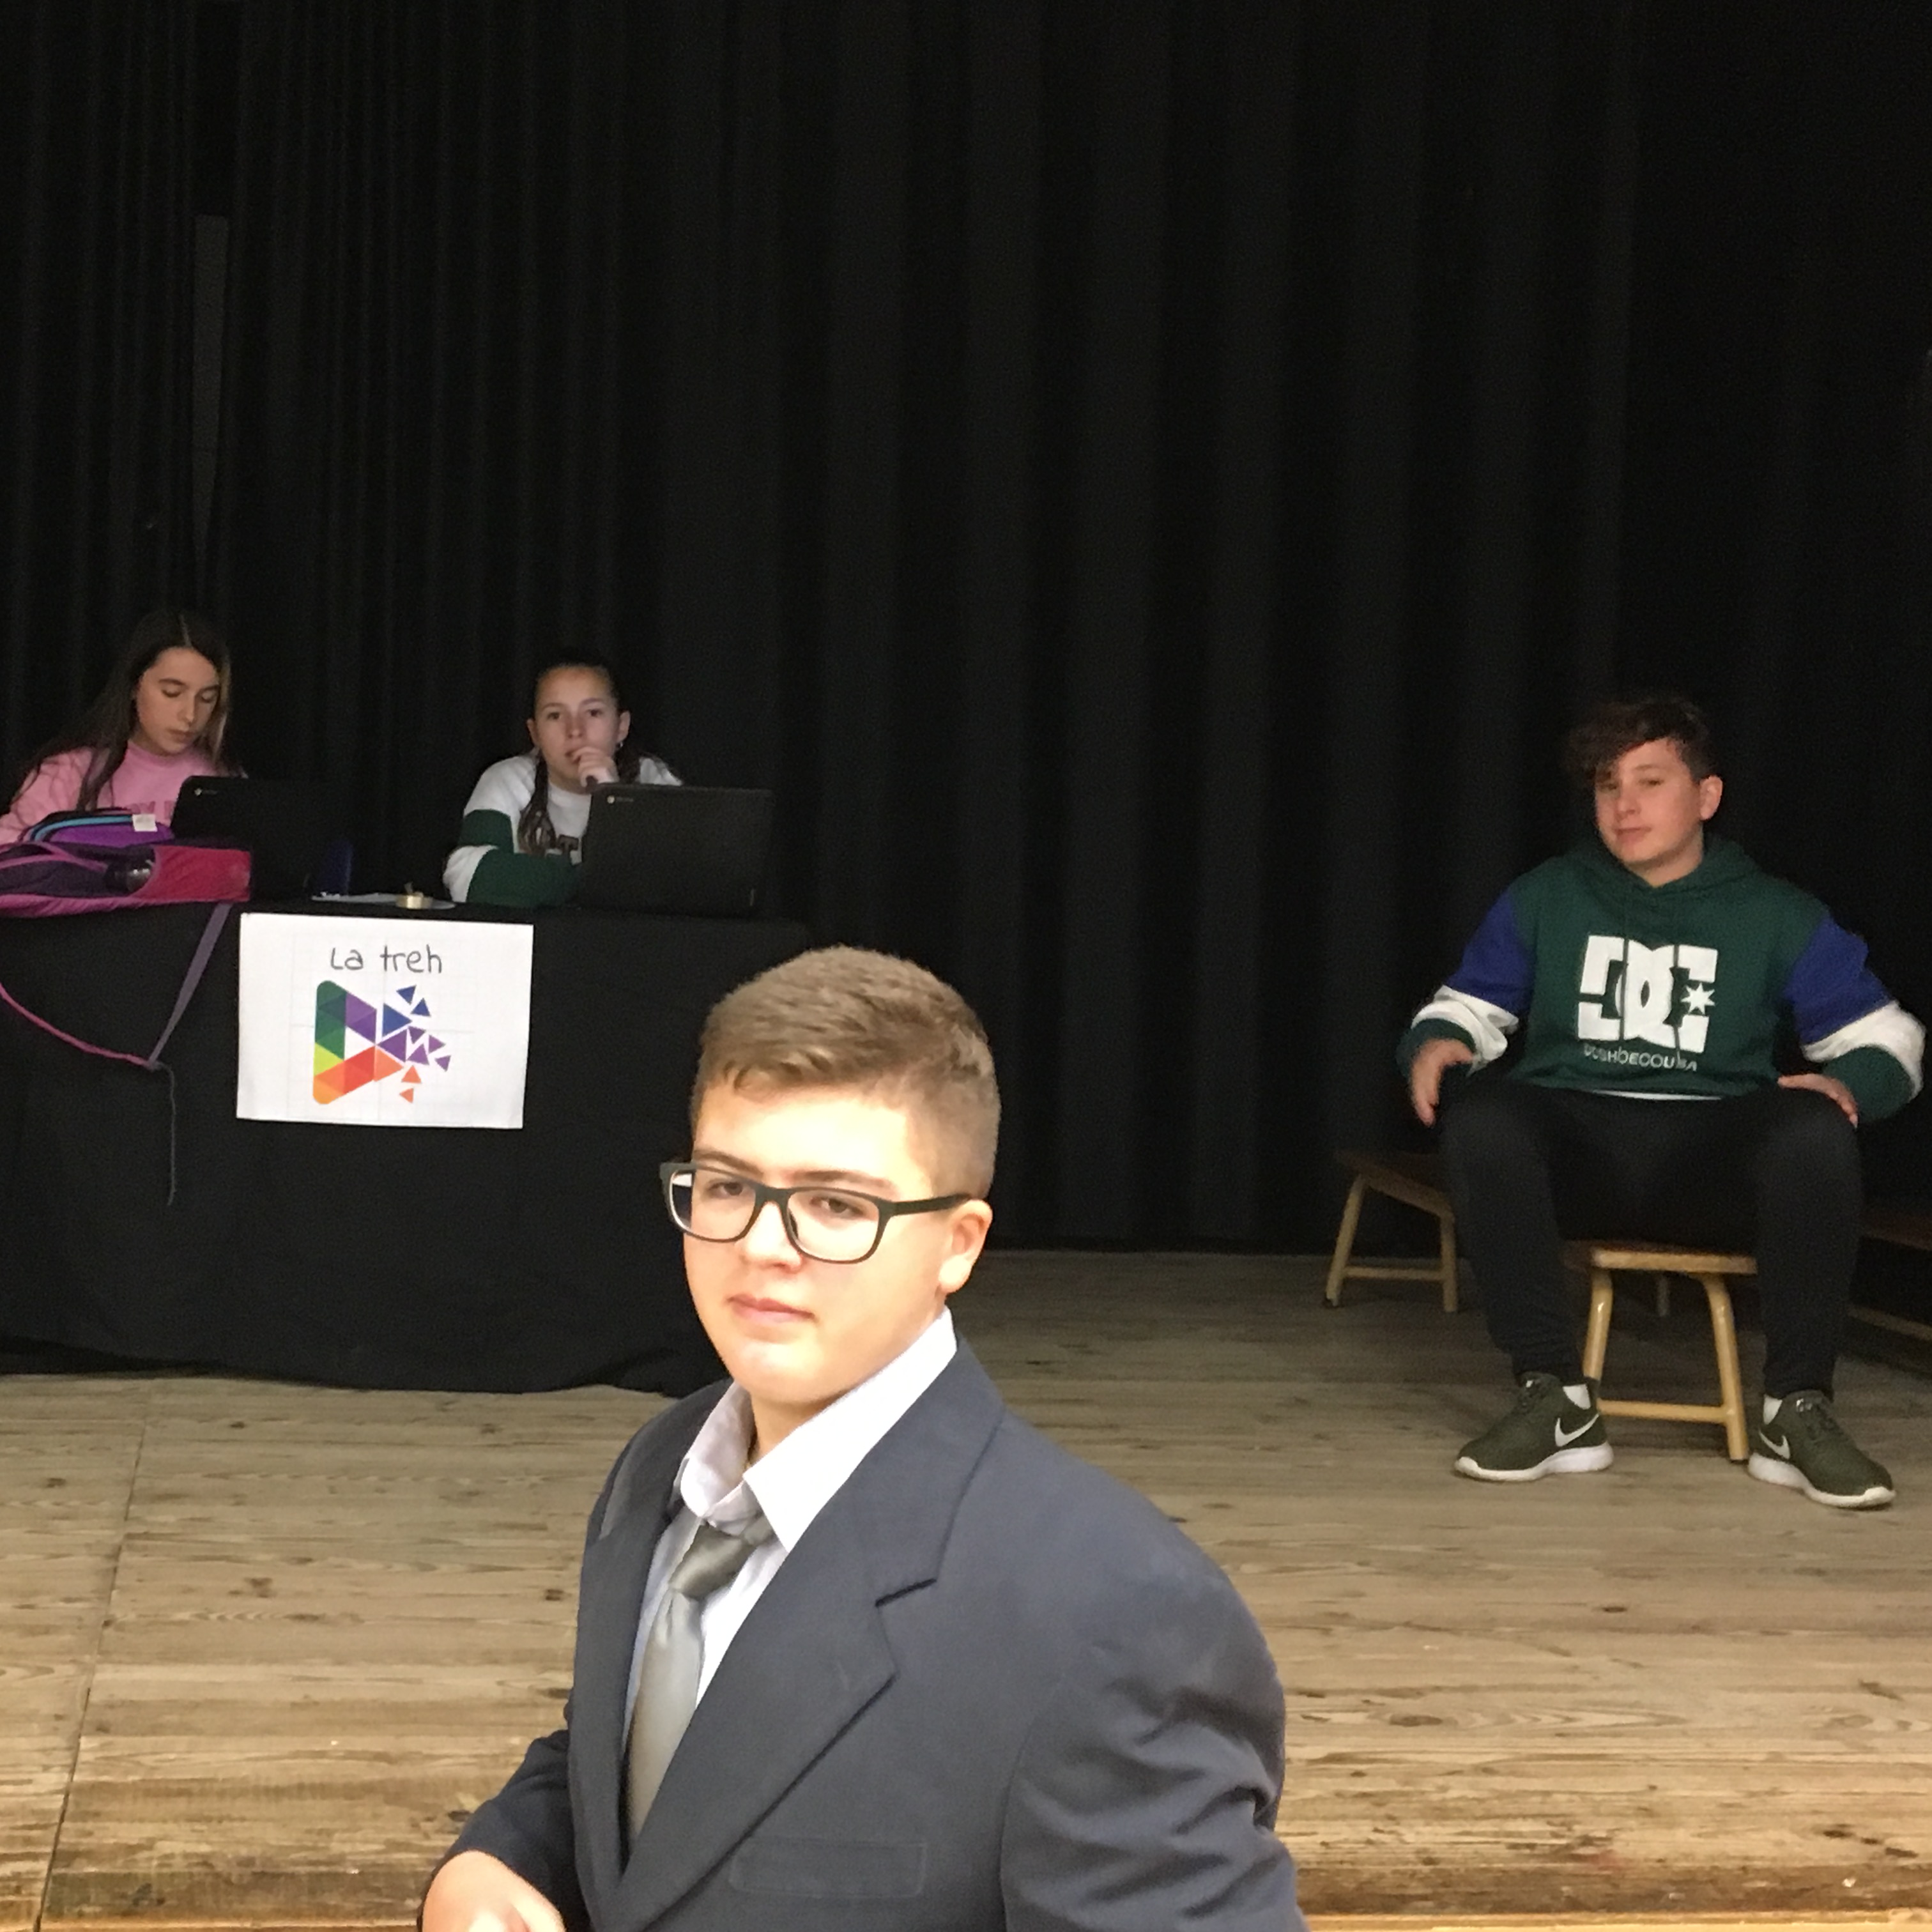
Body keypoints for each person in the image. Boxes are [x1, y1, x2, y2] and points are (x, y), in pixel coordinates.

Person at [422, 947, 1303, 1932]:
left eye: (837, 1205)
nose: (762, 1245)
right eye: (727, 1186)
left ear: (959, 1244)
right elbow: (638, 1769)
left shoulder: (1116, 1618)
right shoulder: (660, 1468)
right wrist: (503, 1855)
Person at [1402, 694, 1922, 1508]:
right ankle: (1555, 1398)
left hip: (1710, 1163)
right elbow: (1468, 1007)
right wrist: (1439, 1039)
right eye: (1608, 786)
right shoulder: (1549, 894)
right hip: (1578, 1150)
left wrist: (1853, 1084)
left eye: (1650, 782)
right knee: (1486, 1117)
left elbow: (1890, 1038)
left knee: (1814, 1128)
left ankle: (1796, 1410)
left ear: (1706, 797)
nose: (1625, 806)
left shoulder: (1776, 912)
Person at [0, 608, 239, 854]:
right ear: (134, 687)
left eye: (206, 698)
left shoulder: (221, 780)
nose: (190, 715)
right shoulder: (69, 774)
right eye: (172, 693)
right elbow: (3, 863)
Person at [442, 662, 680, 906]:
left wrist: (614, 798)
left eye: (593, 713)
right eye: (555, 715)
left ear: (621, 727)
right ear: (535, 733)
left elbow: (677, 880)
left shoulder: (652, 780)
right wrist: (598, 882)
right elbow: (468, 874)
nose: (575, 731)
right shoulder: (507, 780)